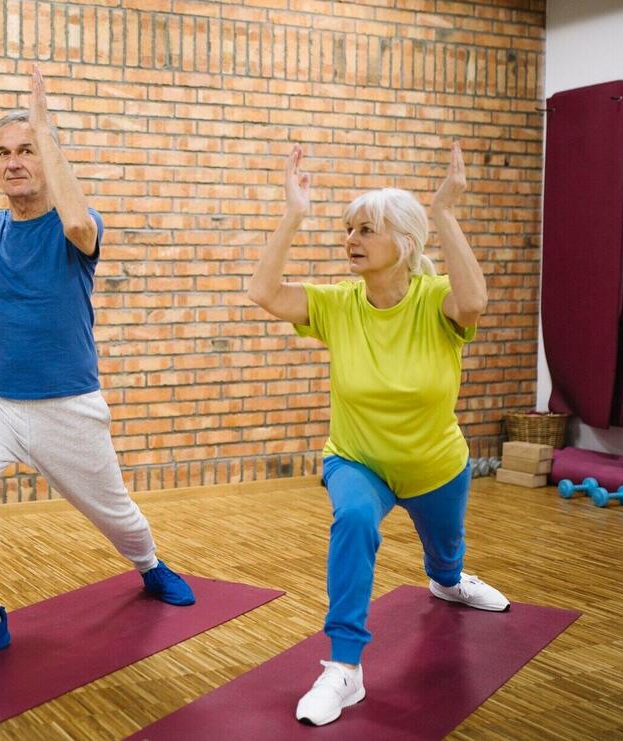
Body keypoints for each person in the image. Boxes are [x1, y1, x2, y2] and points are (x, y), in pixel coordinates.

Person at [0, 69, 195, 672]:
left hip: (67, 406)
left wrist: (46, 130)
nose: (14, 162)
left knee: (116, 515)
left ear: (45, 159)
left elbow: (78, 226)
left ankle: (150, 566)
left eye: (26, 151)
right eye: (3, 154)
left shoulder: (79, 224)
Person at [247, 143, 510, 725]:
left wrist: (445, 211)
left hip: (435, 465)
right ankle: (344, 669)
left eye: (366, 229)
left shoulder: (434, 302)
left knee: (444, 558)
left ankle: (448, 580)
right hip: (356, 460)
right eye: (347, 229)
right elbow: (264, 294)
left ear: (406, 243)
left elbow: (475, 301)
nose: (350, 239)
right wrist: (293, 214)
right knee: (355, 520)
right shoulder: (338, 305)